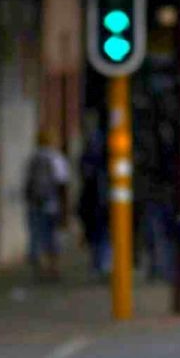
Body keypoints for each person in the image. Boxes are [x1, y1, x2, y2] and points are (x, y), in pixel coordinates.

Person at [24, 128, 70, 281]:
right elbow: (62, 184)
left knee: (36, 235)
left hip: (34, 204)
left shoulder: (33, 158)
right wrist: (64, 208)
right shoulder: (56, 158)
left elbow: (28, 183)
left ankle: (39, 269)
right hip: (52, 204)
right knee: (52, 236)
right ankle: (53, 268)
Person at [77, 116, 111, 280]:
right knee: (102, 234)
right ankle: (102, 265)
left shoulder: (90, 160)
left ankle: (99, 265)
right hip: (100, 203)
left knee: (98, 235)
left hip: (95, 203)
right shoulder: (103, 161)